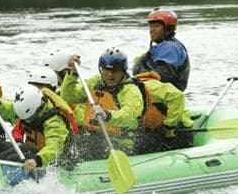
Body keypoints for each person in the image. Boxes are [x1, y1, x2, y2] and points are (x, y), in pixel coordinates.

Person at [61, 47, 193, 160]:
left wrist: (107, 115)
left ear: (123, 71)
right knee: (71, 141)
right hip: (97, 136)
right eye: (106, 70)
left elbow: (129, 116)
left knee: (87, 146)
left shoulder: (131, 91)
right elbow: (69, 96)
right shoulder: (96, 82)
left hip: (123, 142)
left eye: (115, 71)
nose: (110, 75)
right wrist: (72, 73)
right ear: (101, 69)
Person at [0, 84, 78, 172]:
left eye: (30, 117)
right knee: (1, 158)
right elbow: (9, 108)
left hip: (51, 158)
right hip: (33, 149)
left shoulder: (54, 122)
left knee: (12, 160)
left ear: (38, 108)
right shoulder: (26, 107)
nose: (28, 120)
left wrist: (36, 160)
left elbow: (54, 147)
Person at [132, 8, 190, 91]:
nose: (152, 30)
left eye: (156, 26)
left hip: (165, 97)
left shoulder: (171, 47)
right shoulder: (162, 46)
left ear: (168, 28)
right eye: (151, 26)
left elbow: (163, 76)